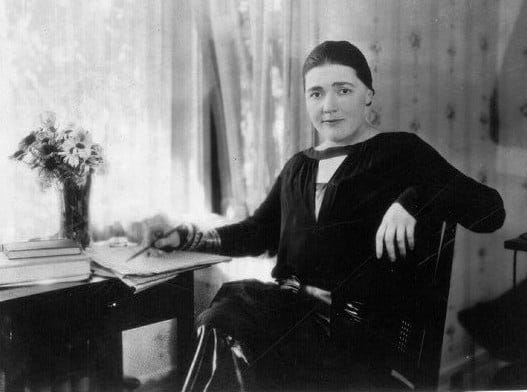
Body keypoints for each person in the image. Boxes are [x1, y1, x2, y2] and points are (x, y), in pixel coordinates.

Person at [143, 41, 506, 391]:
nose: (328, 106)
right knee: (221, 324)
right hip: (290, 317)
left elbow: (490, 211)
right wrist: (185, 237)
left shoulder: (401, 151)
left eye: (343, 90)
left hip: (358, 339)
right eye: (316, 94)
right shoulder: (298, 166)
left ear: (368, 95)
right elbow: (257, 232)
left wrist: (413, 200)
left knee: (231, 338)